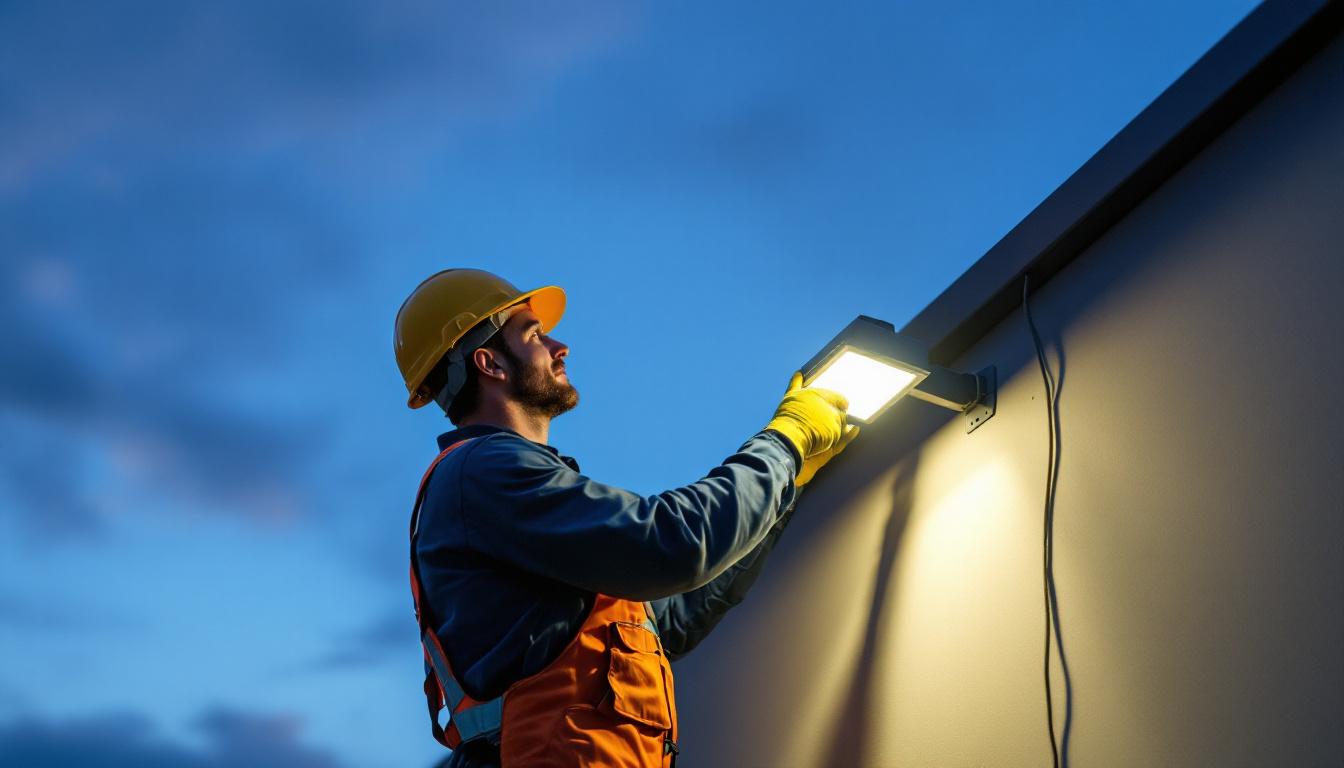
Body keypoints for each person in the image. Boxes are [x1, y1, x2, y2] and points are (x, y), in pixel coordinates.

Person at [394, 269, 856, 767]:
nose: (559, 345)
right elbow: (671, 545)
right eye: (533, 334)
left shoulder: (508, 494)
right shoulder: (483, 472)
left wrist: (787, 486)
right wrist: (784, 443)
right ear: (489, 363)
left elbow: (669, 618)